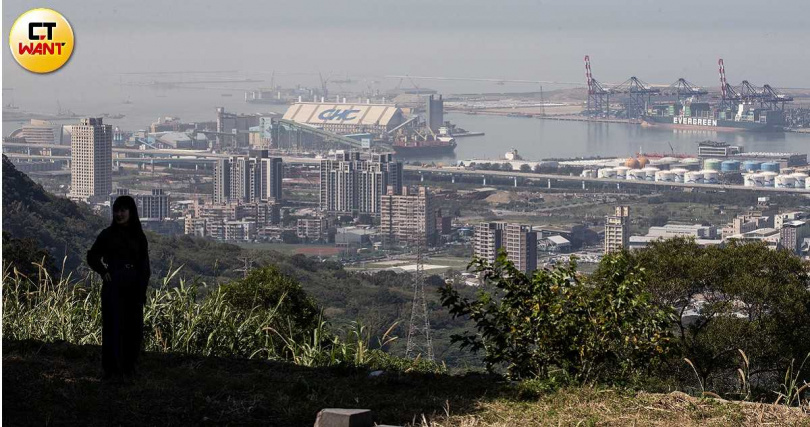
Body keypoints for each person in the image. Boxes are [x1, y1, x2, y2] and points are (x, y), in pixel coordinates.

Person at [87, 195, 151, 380]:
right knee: (113, 327)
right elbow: (92, 256)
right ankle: (112, 370)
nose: (119, 214)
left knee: (133, 329)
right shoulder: (107, 235)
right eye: (116, 210)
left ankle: (129, 368)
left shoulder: (139, 237)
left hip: (133, 286)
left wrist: (142, 290)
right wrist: (102, 271)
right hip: (113, 285)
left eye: (123, 210)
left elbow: (144, 267)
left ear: (131, 212)